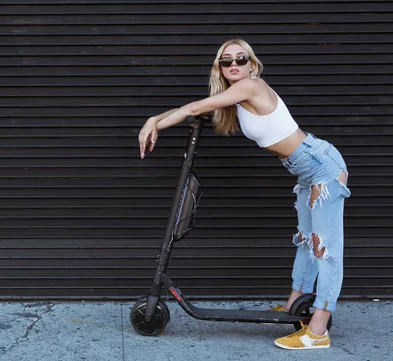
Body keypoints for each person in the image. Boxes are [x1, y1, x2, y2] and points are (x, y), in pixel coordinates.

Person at [138, 39, 350, 350]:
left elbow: (194, 108)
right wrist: (157, 119)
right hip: (307, 170)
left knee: (326, 250)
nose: (234, 63)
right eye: (227, 61)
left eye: (241, 57)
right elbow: (193, 110)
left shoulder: (252, 85)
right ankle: (295, 307)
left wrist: (153, 121)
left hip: (323, 167)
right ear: (220, 69)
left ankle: (318, 331)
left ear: (252, 64)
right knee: (307, 240)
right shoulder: (234, 99)